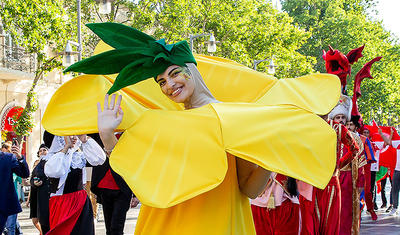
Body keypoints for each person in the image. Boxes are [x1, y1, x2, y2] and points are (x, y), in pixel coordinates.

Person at [45, 22, 340, 234]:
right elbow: (141, 182)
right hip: (163, 225)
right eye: (161, 81)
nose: (169, 85)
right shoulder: (160, 121)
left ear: (193, 69)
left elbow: (249, 190)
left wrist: (271, 153)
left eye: (174, 74)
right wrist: (109, 137)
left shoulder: (237, 118)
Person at [311, 95, 359, 235]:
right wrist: (339, 165)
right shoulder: (338, 129)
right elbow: (354, 149)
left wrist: (339, 164)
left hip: (314, 181)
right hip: (329, 180)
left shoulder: (310, 127)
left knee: (315, 222)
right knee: (329, 223)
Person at [44, 134, 106, 235]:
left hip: (81, 202)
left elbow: (99, 160)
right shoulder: (54, 157)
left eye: (75, 135)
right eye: (69, 135)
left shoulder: (78, 155)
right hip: (63, 204)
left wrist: (85, 140)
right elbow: (54, 172)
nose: (73, 138)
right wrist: (66, 148)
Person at [88, 133, 138, 235]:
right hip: (104, 187)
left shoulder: (129, 135)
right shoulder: (99, 133)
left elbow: (136, 165)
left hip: (123, 188)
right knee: (109, 228)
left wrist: (136, 194)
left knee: (116, 228)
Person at [0, 141, 29, 234]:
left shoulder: (7, 158)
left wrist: (20, 157)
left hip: (2, 206)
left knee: (10, 228)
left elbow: (24, 174)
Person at [29, 142, 51, 235]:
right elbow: (32, 179)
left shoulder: (52, 161)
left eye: (44, 150)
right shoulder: (38, 165)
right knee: (43, 223)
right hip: (40, 199)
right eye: (40, 151)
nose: (42, 152)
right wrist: (34, 183)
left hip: (50, 198)